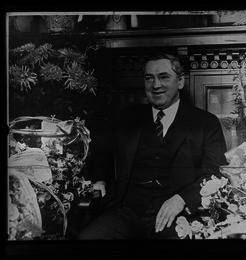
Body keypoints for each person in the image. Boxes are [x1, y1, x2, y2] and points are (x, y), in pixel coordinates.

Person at [77, 53, 228, 239]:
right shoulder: (126, 118)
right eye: (150, 78)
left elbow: (214, 173)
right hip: (125, 211)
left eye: (164, 77)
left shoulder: (205, 123)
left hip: (175, 214)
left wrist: (182, 199)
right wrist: (100, 180)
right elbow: (103, 153)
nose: (156, 85)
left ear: (180, 81)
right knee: (88, 240)